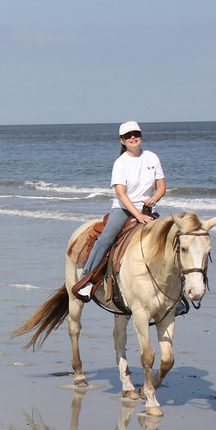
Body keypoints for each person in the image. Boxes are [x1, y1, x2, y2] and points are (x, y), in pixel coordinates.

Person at [72, 121, 166, 302]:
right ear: (122, 140)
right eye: (128, 135)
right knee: (106, 238)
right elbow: (121, 194)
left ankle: (173, 292)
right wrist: (138, 216)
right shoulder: (121, 163)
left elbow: (161, 186)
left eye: (136, 134)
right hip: (123, 209)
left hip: (148, 209)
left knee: (169, 239)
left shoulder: (152, 157)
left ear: (141, 136)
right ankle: (87, 280)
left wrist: (155, 198)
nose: (133, 138)